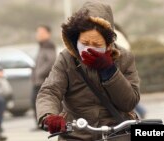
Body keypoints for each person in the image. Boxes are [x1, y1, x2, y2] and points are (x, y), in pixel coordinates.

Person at [36, 1, 140, 140]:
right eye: (84, 43)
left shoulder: (124, 57)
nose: (89, 48)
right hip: (76, 133)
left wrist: (109, 70)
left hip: (117, 132)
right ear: (76, 38)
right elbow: (50, 91)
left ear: (108, 43)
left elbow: (129, 102)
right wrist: (49, 116)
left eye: (97, 44)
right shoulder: (66, 58)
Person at [32, 25, 56, 129]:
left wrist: (39, 74)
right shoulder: (42, 45)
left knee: (41, 101)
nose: (38, 35)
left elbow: (50, 62)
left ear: (48, 34)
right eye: (38, 32)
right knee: (35, 101)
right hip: (38, 81)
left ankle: (44, 124)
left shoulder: (48, 45)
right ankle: (40, 124)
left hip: (43, 80)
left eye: (41, 32)